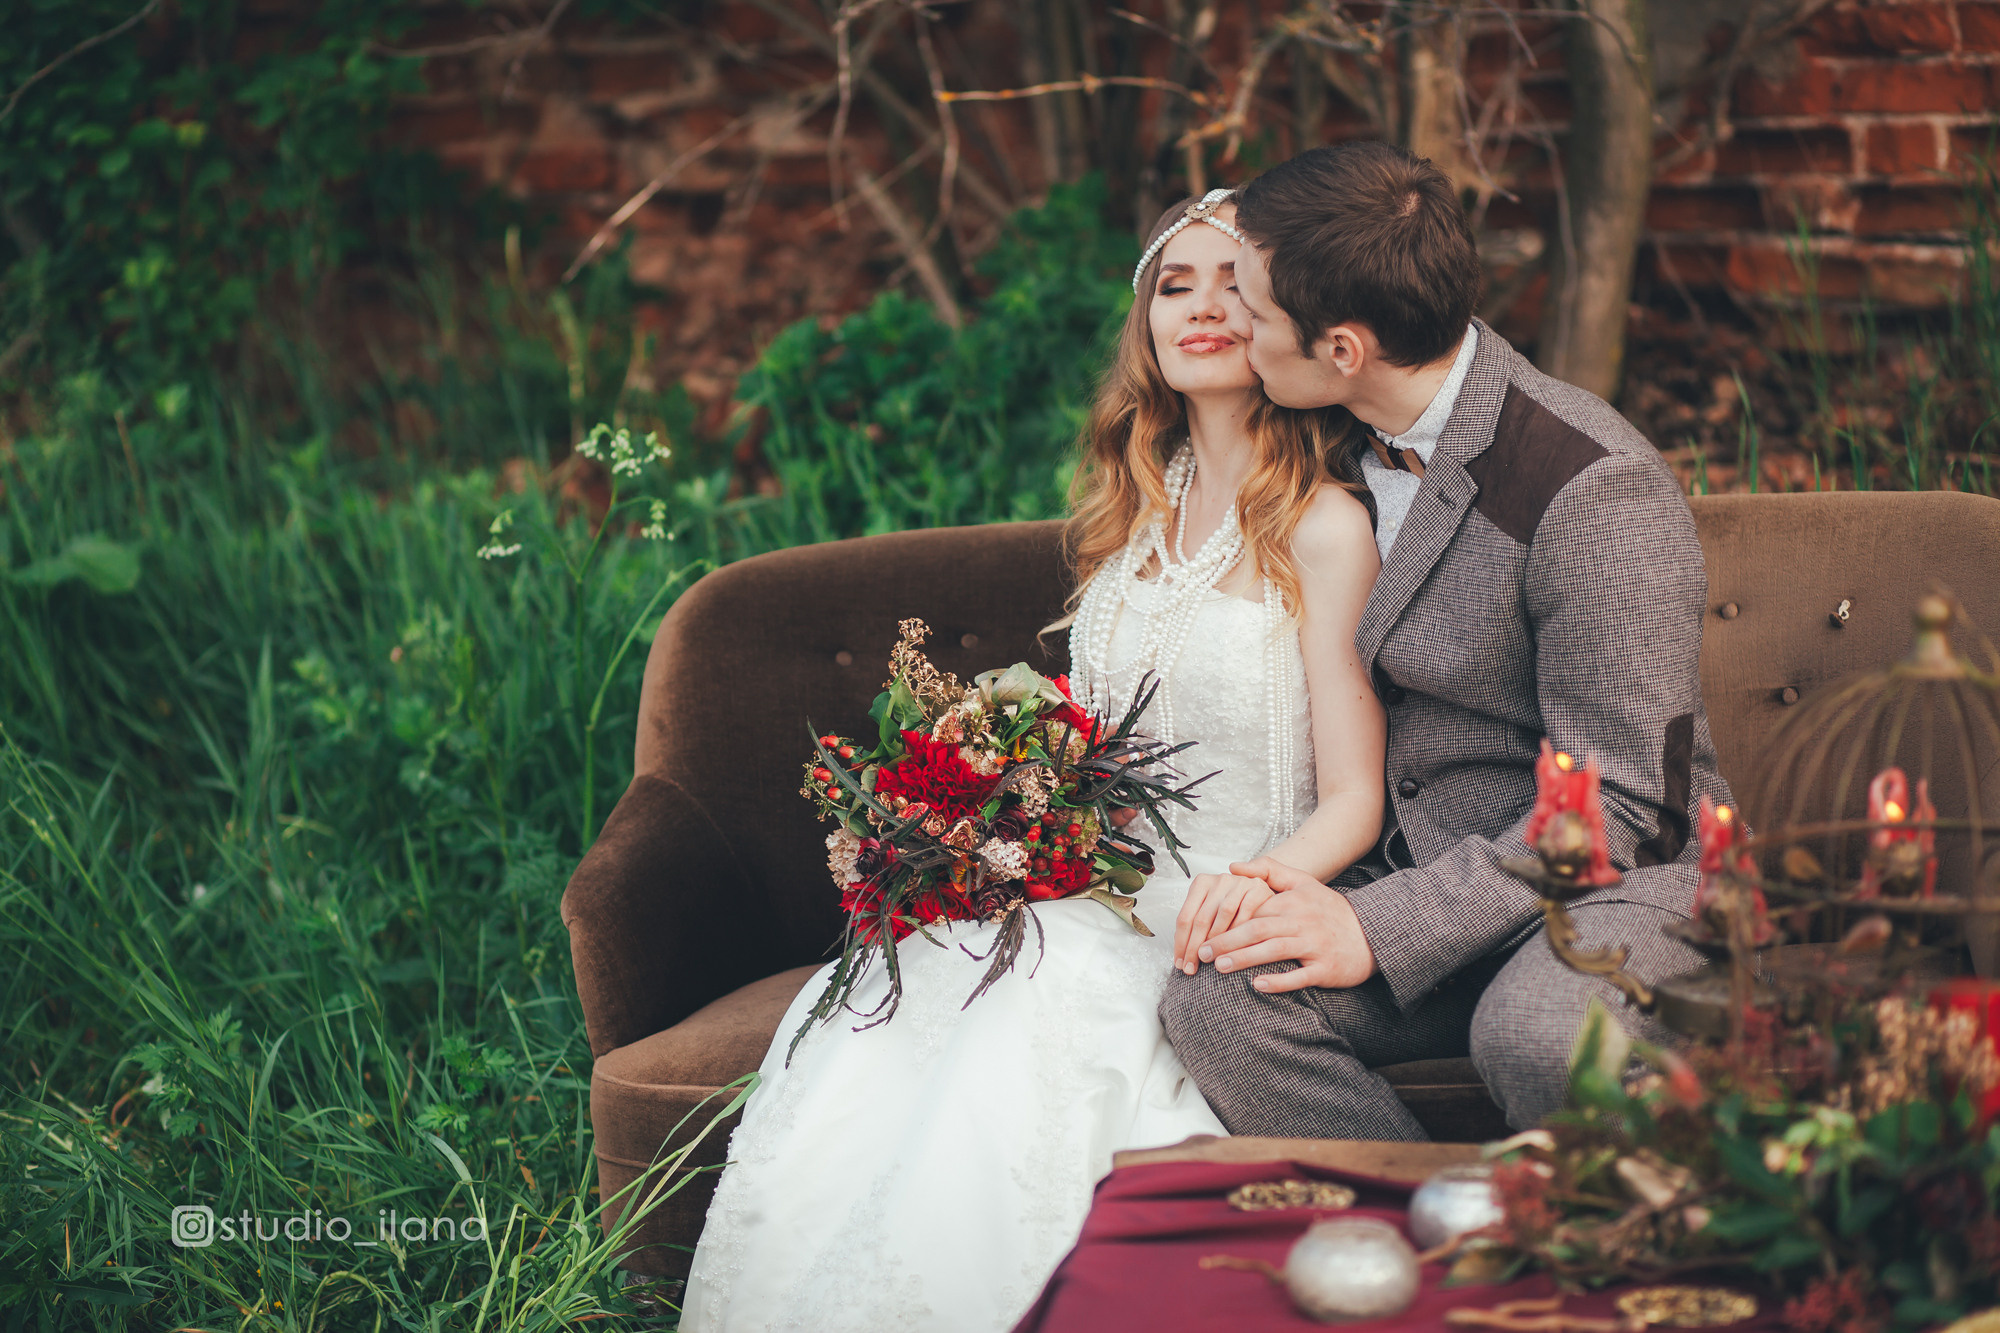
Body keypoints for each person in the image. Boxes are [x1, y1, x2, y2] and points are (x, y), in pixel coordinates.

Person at [679, 192, 1385, 1333]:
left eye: (1234, 285)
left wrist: (1253, 885)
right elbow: (1088, 738)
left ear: (1283, 319)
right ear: (1144, 323)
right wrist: (992, 817)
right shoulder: (1136, 512)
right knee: (912, 974)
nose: (1203, 307)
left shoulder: (1321, 523)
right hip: (1091, 883)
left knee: (1030, 1000)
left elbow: (1354, 793)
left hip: (1227, 896)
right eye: (1174, 284)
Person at [1160, 140, 1734, 1141]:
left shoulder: (1587, 487)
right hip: (1413, 858)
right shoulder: (1319, 439)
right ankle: (1413, 1239)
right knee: (1219, 1005)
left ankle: (1552, 1246)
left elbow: (1625, 803)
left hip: (1606, 886)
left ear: (1340, 348)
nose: (1229, 324)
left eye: (1250, 310)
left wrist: (1376, 924)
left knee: (1539, 1035)